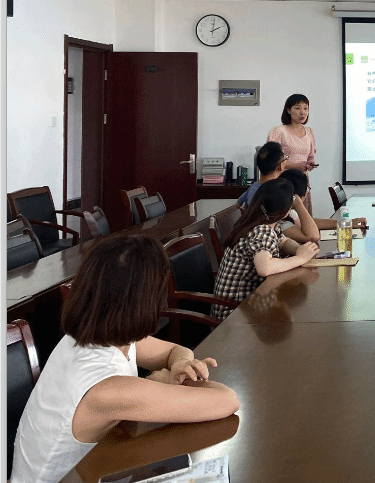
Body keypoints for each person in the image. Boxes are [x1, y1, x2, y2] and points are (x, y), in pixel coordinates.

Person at [10, 236, 240, 483]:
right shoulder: (107, 389)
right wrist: (157, 382)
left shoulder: (93, 334)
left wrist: (179, 364)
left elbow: (175, 350)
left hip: (87, 467)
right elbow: (227, 400)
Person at [212, 179, 320, 320]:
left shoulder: (262, 222)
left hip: (247, 305)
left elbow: (283, 242)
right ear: (285, 209)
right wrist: (300, 258)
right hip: (233, 315)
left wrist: (299, 249)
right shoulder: (262, 230)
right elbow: (264, 268)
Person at [277, 168, 368, 243]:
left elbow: (310, 223)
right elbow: (312, 236)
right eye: (307, 189)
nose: (307, 193)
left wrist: (346, 223)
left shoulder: (290, 211)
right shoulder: (280, 220)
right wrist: (299, 204)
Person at [268, 93, 317, 213]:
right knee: (286, 218)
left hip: (302, 182)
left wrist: (310, 164)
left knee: (303, 217)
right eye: (298, 108)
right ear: (288, 110)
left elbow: (311, 157)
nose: (302, 112)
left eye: (305, 108)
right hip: (283, 183)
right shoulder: (279, 131)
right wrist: (299, 166)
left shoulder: (309, 132)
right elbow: (273, 159)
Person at [238, 141, 287, 207]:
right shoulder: (280, 191)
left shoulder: (252, 188)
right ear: (280, 166)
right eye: (285, 158)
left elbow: (237, 205)